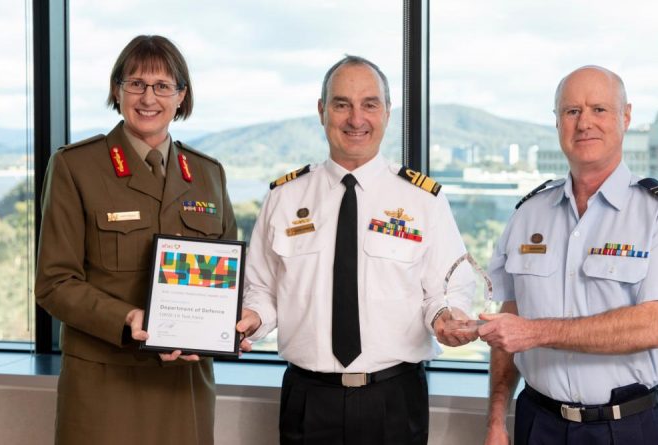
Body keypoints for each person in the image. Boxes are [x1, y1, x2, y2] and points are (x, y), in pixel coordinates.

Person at [236, 55, 476, 445]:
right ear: (322, 110)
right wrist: (250, 320)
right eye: (341, 104)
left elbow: (445, 291)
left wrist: (446, 318)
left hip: (394, 398)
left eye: (369, 104)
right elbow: (262, 291)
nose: (356, 118)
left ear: (387, 112)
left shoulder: (423, 199)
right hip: (308, 397)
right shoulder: (284, 197)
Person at [478, 66, 658, 445]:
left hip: (626, 428)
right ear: (557, 122)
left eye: (599, 109)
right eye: (571, 111)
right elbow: (511, 319)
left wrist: (534, 333)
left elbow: (654, 327)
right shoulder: (527, 214)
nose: (584, 122)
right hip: (538, 423)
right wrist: (495, 419)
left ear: (626, 116)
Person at [35, 35, 236, 445]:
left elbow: (227, 279)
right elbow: (55, 283)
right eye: (136, 84)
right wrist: (127, 319)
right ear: (117, 90)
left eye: (163, 86)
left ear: (181, 96)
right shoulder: (76, 167)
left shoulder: (208, 174)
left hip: (185, 386)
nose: (149, 98)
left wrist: (232, 322)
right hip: (105, 384)